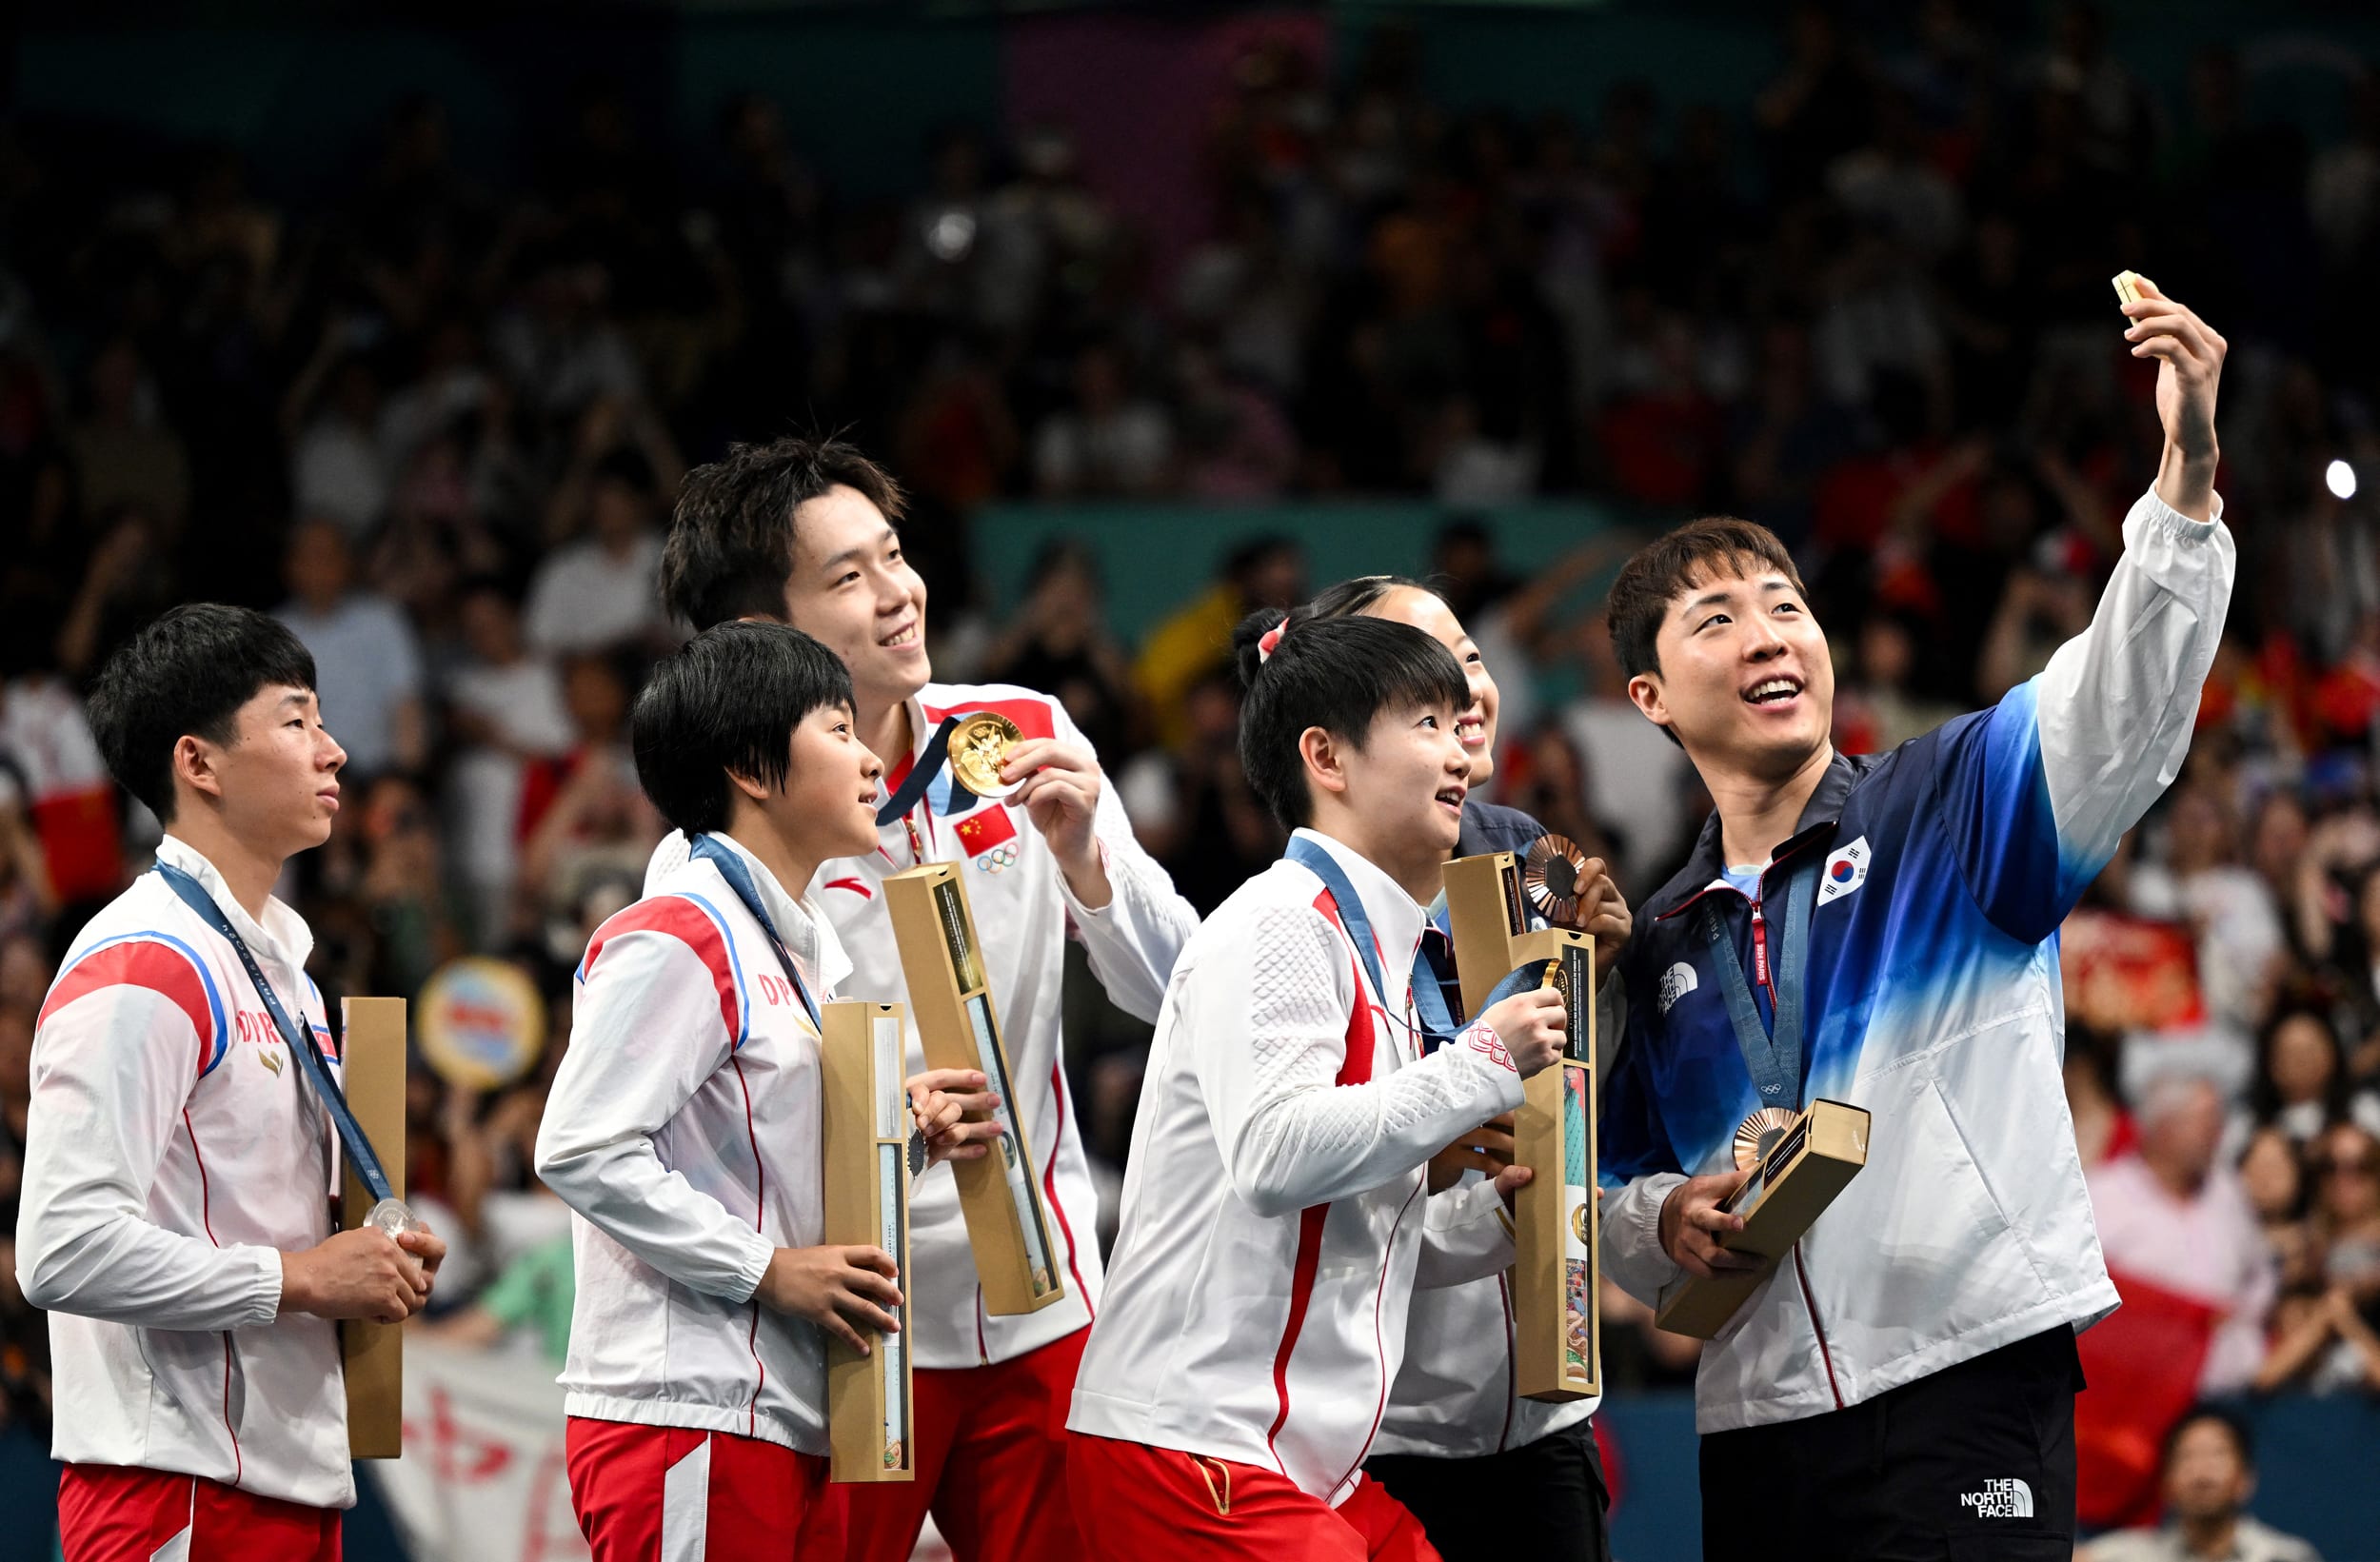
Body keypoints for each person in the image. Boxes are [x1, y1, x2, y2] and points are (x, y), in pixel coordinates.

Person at [1597, 278, 2231, 1558]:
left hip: (1967, 1374)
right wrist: (1661, 1222)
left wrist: (2186, 490)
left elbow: (2120, 705)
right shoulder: (1659, 939)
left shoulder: (1947, 800)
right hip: (1757, 1423)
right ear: (1652, 695)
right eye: (1718, 619)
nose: (1771, 634)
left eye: (1787, 606)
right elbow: (1608, 1187)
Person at [657, 437, 1199, 1560]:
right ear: (764, 634)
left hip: (1044, 1297)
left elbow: (1173, 995)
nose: (899, 594)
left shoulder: (1021, 734)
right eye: (847, 579)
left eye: (893, 556)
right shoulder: (727, 847)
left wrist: (1093, 859)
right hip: (856, 1324)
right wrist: (876, 1109)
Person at [1066, 610, 1571, 1560]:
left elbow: (1357, 1233)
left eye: (1460, 721)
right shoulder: (1283, 922)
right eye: (1424, 722)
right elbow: (1273, 1156)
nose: (1462, 745)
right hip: (1190, 1449)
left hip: (1297, 1465)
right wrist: (1482, 1063)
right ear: (1326, 759)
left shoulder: (1380, 954)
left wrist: (1497, 1224)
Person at [533, 621, 995, 1559]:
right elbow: (579, 1147)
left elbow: (763, 1169)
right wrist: (768, 1272)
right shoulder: (680, 931)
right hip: (686, 1415)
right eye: (837, 730)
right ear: (751, 766)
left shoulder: (793, 946)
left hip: (784, 1410)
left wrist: (907, 1138)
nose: (871, 762)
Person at [17, 603, 447, 1560]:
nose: (334, 751)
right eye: (295, 721)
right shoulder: (143, 963)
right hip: (173, 1491)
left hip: (286, 1480)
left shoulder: (280, 963)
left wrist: (366, 1256)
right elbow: (60, 1249)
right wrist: (298, 1278)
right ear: (198, 764)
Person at [1291, 574, 1631, 1562]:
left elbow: (1561, 1110)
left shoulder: (1525, 854)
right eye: (1425, 679)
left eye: (1471, 663)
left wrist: (1594, 980)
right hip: (1379, 1430)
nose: (1467, 694)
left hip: (1542, 1411)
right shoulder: (1309, 913)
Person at [2082, 1406, 2323, 1562]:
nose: (2202, 1473)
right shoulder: (2128, 1555)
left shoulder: (2285, 1557)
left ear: (2245, 1480)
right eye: (2188, 1456)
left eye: (2217, 1455)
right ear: (2167, 1485)